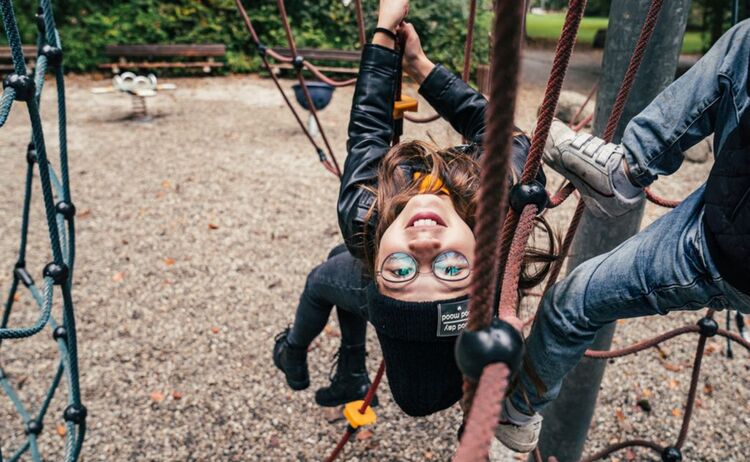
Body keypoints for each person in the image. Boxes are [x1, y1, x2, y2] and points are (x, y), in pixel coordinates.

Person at [274, 0, 554, 416]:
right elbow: (501, 131)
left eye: (403, 270)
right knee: (339, 260)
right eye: (452, 268)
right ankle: (351, 369)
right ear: (484, 259)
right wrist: (420, 66)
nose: (424, 242)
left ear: (376, 274)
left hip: (369, 266)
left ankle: (293, 350)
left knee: (324, 276)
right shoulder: (498, 198)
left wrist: (384, 32)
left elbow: (369, 128)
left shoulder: (363, 217)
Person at [496, 19, 750, 453]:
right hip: (731, 195)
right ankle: (629, 168)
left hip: (722, 251)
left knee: (569, 304)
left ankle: (516, 411)